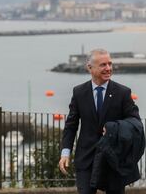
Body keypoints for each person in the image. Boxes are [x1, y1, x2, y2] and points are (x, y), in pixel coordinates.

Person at [59, 49, 141, 194]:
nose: (108, 68)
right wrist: (65, 153)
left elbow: (135, 122)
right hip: (86, 159)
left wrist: (114, 128)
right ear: (90, 68)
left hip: (113, 160)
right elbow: (71, 126)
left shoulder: (123, 93)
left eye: (110, 64)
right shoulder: (79, 92)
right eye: (103, 65)